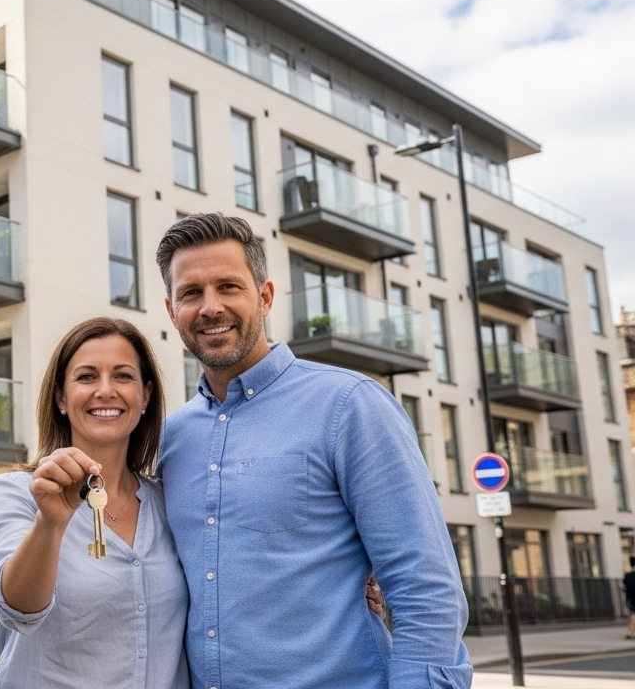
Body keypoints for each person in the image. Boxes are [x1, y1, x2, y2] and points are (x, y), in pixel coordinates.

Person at [154, 212, 472, 688]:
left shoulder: (349, 406)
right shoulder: (172, 437)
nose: (210, 307)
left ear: (264, 296)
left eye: (229, 287)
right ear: (170, 310)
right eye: (191, 293)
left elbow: (425, 588)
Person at [0, 317, 189, 689]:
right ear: (61, 397)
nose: (105, 390)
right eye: (87, 377)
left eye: (123, 376)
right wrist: (51, 523)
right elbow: (18, 610)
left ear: (145, 396)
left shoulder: (168, 500)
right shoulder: (15, 492)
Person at [624, 559, 635, 639]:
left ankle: (629, 631)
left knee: (632, 613)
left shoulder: (628, 575)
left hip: (630, 597)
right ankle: (630, 632)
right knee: (633, 614)